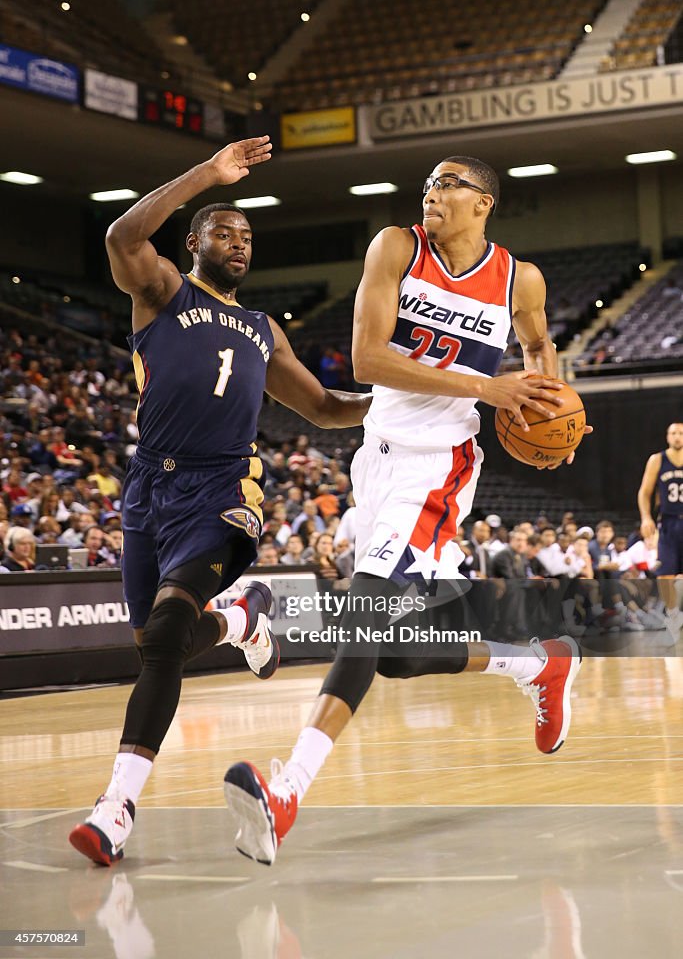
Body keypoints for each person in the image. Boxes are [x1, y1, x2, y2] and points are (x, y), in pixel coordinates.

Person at [225, 154, 589, 864]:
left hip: (438, 468)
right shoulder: (396, 246)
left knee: (361, 619)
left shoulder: (520, 277)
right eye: (427, 183)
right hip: (378, 458)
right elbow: (365, 359)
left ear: (483, 203)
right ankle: (535, 665)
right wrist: (486, 388)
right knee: (394, 658)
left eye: (448, 185)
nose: (432, 193)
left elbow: (538, 343)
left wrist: (553, 413)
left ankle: (287, 790)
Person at [69, 137, 371, 866]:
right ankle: (240, 616)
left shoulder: (264, 328)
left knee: (168, 631)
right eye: (223, 232)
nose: (238, 243)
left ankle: (116, 807)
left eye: (246, 236)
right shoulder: (162, 292)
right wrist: (208, 173)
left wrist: (405, 398)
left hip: (224, 488)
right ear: (193, 242)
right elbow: (121, 234)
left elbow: (328, 408)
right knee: (156, 646)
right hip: (150, 490)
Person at [638, 423, 683, 625]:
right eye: (673, 433)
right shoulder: (657, 460)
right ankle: (673, 615)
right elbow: (644, 492)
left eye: (681, 433)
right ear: (667, 437)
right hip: (668, 522)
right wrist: (646, 517)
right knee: (665, 575)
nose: (677, 437)